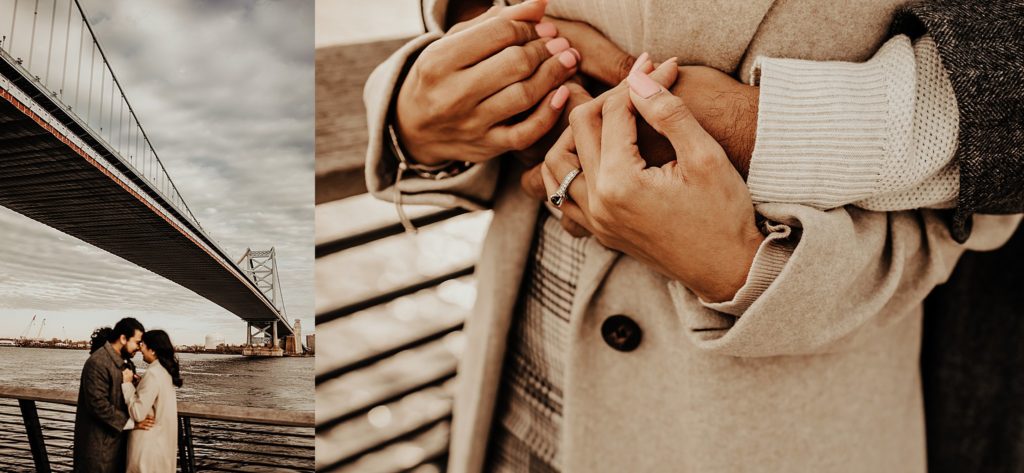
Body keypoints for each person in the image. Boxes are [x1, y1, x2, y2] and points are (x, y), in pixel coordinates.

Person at [362, 0, 1023, 472]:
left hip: (779, 430)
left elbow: (971, 192)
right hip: (523, 372)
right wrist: (421, 110)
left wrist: (749, 260)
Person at [74, 317, 155, 473]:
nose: (139, 348)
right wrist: (134, 423)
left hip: (116, 448)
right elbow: (98, 405)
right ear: (123, 338)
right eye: (137, 342)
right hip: (99, 451)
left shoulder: (125, 363)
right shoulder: (97, 362)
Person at [122, 329, 183, 473]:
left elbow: (137, 413)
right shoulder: (165, 372)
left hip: (147, 449)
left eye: (143, 345)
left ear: (153, 350)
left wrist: (127, 384)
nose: (140, 348)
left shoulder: (153, 374)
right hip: (161, 447)